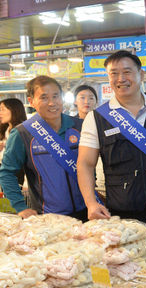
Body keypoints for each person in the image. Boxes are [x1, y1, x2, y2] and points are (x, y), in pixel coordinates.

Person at [77, 50, 146, 266]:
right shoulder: (97, 118)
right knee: (129, 280)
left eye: (127, 72)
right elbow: (85, 164)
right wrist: (90, 203)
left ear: (140, 75)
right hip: (123, 218)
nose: (120, 79)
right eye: (113, 73)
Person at [0, 76, 86, 219]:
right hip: (47, 218)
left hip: (86, 212)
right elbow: (7, 173)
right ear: (31, 101)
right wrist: (20, 206)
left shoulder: (80, 126)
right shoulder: (23, 133)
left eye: (56, 96)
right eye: (44, 98)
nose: (52, 103)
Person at [0, 98, 28, 188]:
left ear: (14, 110)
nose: (0, 113)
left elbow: (29, 160)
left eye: (3, 109)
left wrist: (26, 183)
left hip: (18, 177)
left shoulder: (23, 131)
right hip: (6, 176)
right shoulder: (5, 131)